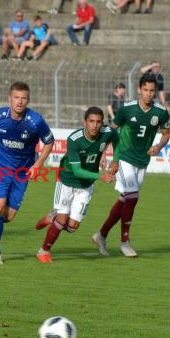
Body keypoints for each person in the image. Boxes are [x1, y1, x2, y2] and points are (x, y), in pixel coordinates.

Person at [92, 73, 170, 258]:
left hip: (142, 160)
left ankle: (101, 235)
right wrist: (104, 153)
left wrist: (159, 145)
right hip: (124, 157)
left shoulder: (160, 112)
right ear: (139, 89)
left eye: (152, 91)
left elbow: (166, 134)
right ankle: (124, 242)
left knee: (125, 200)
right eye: (145, 90)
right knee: (133, 197)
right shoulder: (127, 108)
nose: (149, 94)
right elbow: (111, 130)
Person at [0, 81, 54, 265]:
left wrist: (38, 164)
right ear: (9, 99)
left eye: (23, 98)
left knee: (8, 216)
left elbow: (49, 142)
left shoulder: (35, 121)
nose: (19, 102)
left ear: (28, 100)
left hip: (22, 172)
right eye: (16, 98)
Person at [34, 107, 118, 263]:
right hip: (66, 180)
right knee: (62, 220)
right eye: (91, 121)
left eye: (99, 122)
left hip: (86, 185)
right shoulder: (75, 139)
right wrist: (100, 175)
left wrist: (116, 159)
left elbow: (116, 138)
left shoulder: (107, 132)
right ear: (84, 122)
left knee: (72, 227)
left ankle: (51, 217)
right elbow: (77, 171)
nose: (95, 125)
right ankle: (43, 251)